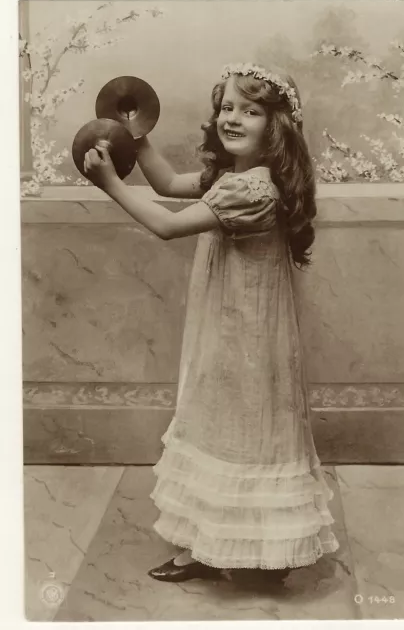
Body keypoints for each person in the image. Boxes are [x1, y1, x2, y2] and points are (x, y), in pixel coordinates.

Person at [84, 62, 340, 584]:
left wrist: (110, 183)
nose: (232, 118)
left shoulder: (253, 190)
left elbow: (166, 225)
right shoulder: (232, 178)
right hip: (228, 327)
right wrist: (137, 136)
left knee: (242, 430)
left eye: (250, 110)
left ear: (276, 125)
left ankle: (253, 551)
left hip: (243, 333)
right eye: (226, 107)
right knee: (225, 425)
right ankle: (218, 544)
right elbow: (168, 182)